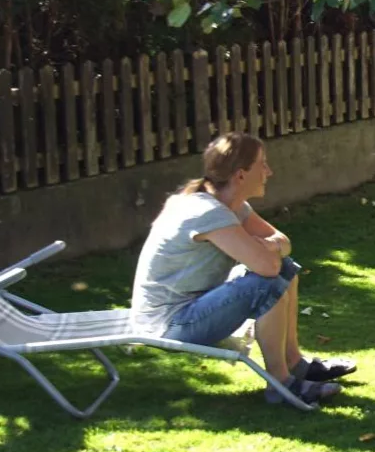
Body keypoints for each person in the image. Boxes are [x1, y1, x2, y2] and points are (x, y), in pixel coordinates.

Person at [131, 132, 355, 407]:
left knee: (286, 269)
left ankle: (295, 364)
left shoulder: (233, 206)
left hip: (191, 309)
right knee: (268, 283)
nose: (269, 172)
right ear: (240, 175)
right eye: (262, 164)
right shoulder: (206, 211)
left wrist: (270, 247)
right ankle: (281, 385)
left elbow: (284, 243)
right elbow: (267, 267)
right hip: (170, 323)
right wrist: (269, 250)